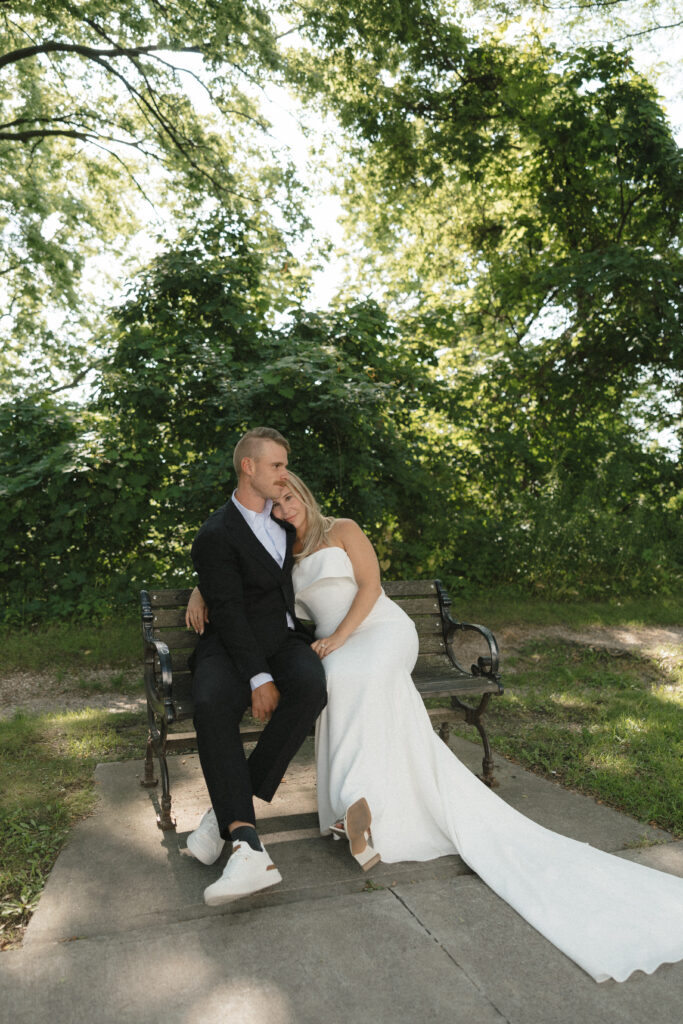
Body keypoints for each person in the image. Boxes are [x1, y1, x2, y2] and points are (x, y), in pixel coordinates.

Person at [186, 472, 683, 983]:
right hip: (338, 645)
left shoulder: (343, 529)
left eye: (290, 498)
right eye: (277, 503)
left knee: (343, 672)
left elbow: (372, 588)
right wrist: (202, 588)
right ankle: (352, 808)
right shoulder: (280, 548)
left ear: (305, 495)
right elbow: (240, 574)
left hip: (377, 630)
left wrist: (340, 639)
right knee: (329, 681)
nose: (285, 508)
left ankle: (338, 799)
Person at [185, 431, 327, 907]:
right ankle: (246, 844)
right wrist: (258, 677)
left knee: (311, 686)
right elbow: (227, 609)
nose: (284, 475)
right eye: (276, 466)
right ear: (248, 467)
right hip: (229, 646)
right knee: (209, 702)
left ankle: (227, 805)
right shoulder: (215, 534)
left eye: (285, 466)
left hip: (282, 642)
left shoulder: (287, 523)